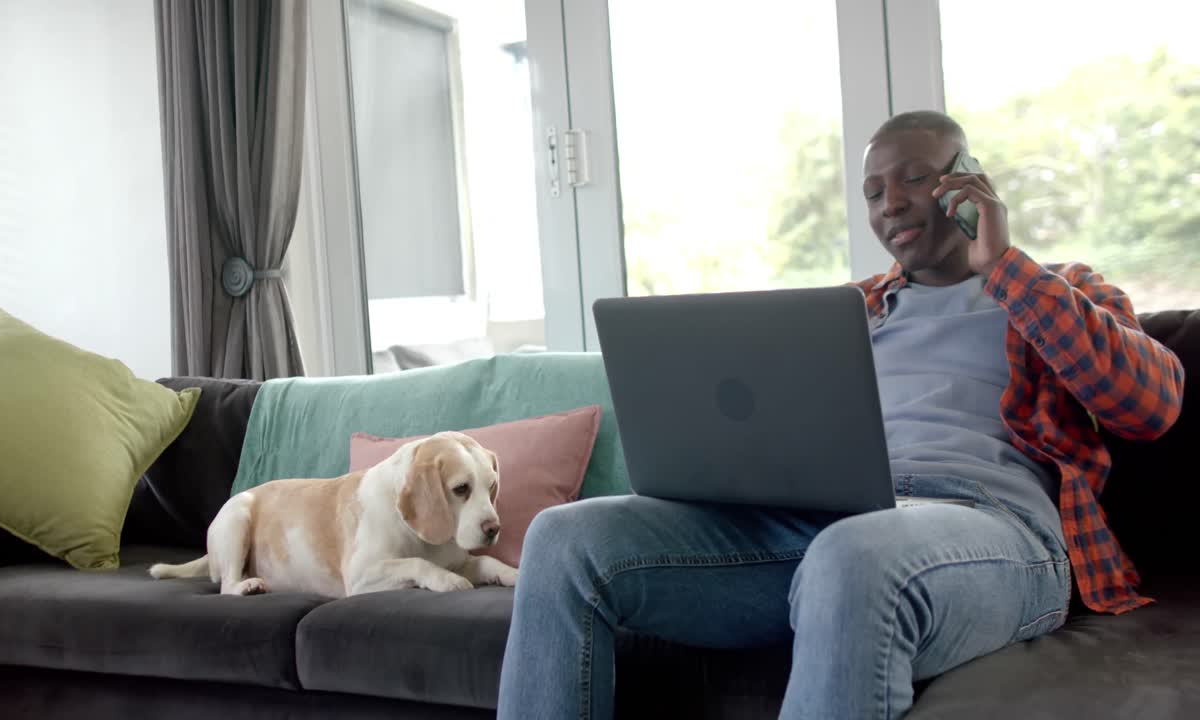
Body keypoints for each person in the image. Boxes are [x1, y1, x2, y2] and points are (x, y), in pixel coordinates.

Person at [496, 111, 1185, 719]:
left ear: (968, 182)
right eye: (873, 191)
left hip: (993, 535)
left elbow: (1150, 405)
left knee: (852, 555)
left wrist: (1002, 261)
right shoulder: (846, 312)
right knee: (565, 539)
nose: (889, 204)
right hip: (827, 527)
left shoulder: (1059, 290)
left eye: (911, 179)